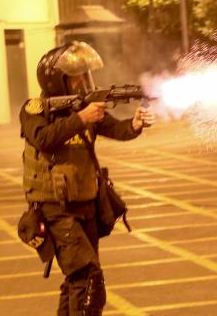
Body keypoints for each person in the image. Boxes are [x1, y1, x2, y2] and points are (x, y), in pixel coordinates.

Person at [19, 41, 155, 315]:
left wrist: (135, 124)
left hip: (86, 204)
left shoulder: (86, 109)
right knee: (88, 279)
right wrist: (81, 117)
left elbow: (116, 128)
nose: (81, 81)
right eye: (75, 76)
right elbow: (43, 139)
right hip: (55, 209)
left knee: (77, 280)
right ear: (58, 80)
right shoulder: (35, 109)